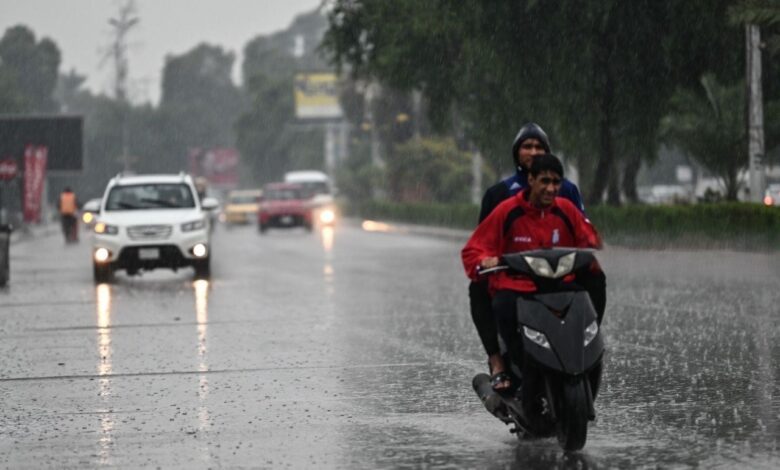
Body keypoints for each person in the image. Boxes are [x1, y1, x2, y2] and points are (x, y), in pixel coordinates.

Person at [462, 154, 606, 392]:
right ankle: (515, 365)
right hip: (519, 288)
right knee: (501, 306)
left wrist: (592, 249)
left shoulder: (566, 210)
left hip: (559, 285)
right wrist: (483, 261)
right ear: (531, 180)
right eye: (545, 181)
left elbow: (589, 239)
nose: (551, 189)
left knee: (593, 287)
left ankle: (585, 352)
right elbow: (474, 249)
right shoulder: (507, 211)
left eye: (556, 183)